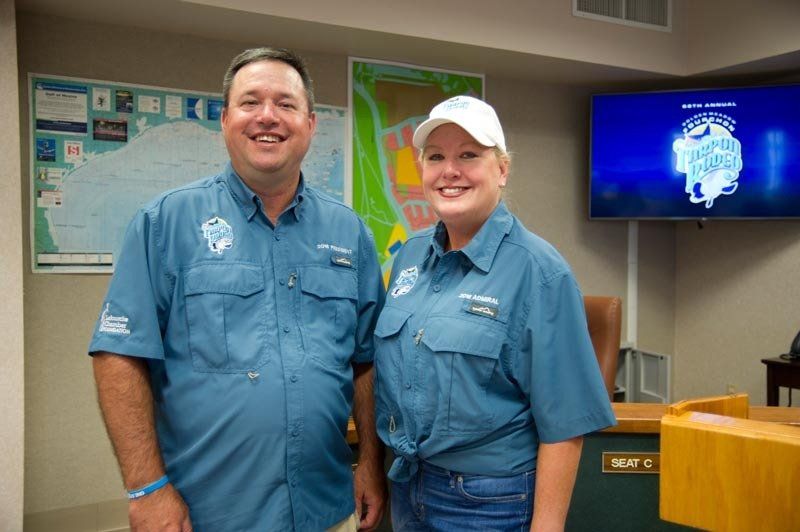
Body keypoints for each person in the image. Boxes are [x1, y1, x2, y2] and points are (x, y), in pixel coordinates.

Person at [89, 47, 386, 532]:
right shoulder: (165, 223)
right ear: (225, 119)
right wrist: (147, 488)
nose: (267, 116)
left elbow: (366, 359)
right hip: (207, 516)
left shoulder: (350, 233)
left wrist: (371, 463)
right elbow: (118, 356)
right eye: (250, 102)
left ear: (311, 124)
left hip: (325, 510)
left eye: (286, 104)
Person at [374, 95, 616, 531]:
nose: (450, 170)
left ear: (502, 169)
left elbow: (565, 422)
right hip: (409, 488)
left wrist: (547, 526)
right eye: (436, 157)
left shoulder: (539, 272)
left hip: (489, 501)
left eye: (469, 155)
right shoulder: (410, 257)